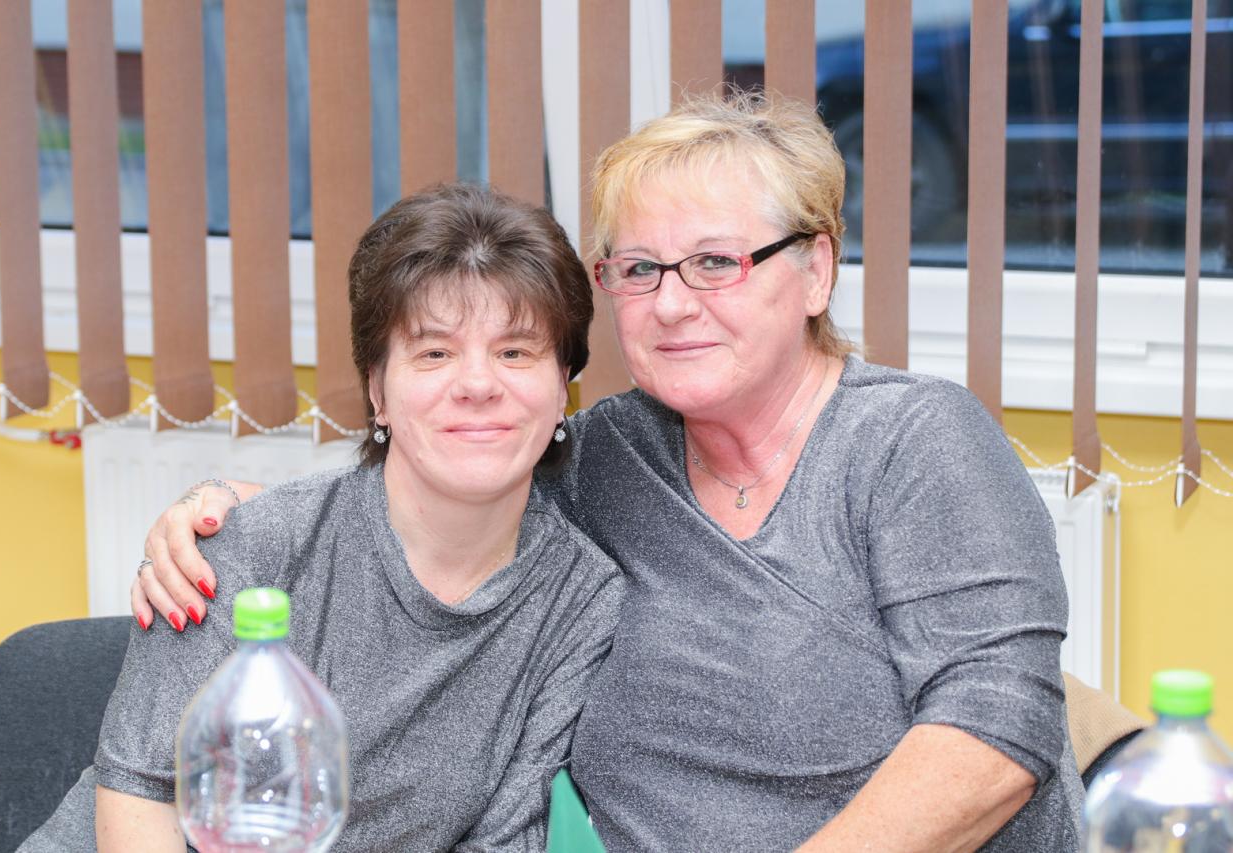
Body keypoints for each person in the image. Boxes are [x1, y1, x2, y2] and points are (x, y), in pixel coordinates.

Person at [130, 92, 1082, 851]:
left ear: (816, 271)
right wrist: (230, 514)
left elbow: (997, 724)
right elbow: (444, 478)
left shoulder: (914, 440)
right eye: (638, 269)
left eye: (716, 262)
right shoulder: (607, 458)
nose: (671, 304)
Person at [22, 184, 624, 852]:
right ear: (377, 391)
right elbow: (139, 793)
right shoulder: (252, 543)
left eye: (516, 352)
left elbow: (504, 839)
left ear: (562, 386)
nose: (479, 384)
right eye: (434, 352)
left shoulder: (581, 599)